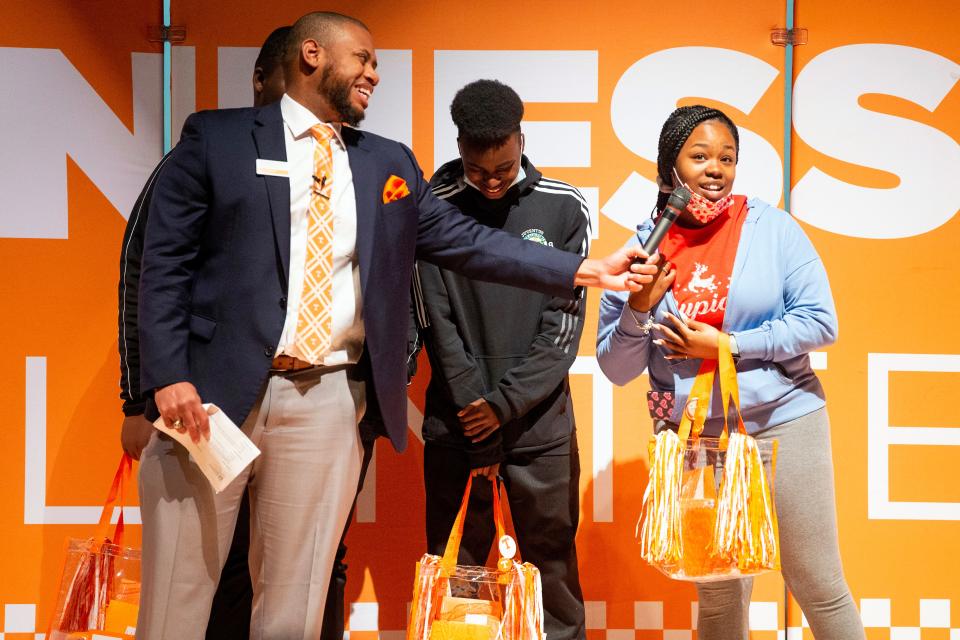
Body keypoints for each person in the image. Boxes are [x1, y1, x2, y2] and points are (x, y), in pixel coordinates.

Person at [135, 11, 653, 640]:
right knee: (179, 593)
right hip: (212, 398)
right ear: (312, 55)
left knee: (294, 599)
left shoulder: (387, 162)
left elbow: (468, 241)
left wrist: (587, 269)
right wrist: (165, 376)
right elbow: (160, 264)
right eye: (363, 59)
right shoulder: (216, 140)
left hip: (326, 399)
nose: (374, 74)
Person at [596, 105, 865, 640]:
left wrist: (730, 344)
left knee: (817, 583)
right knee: (720, 594)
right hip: (695, 440)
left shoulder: (773, 229)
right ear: (669, 163)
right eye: (700, 156)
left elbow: (820, 322)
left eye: (727, 158)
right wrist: (639, 308)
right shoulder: (643, 248)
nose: (715, 168)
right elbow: (615, 366)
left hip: (784, 423)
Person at [117, 26, 290, 640]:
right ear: (263, 81)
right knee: (199, 572)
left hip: (309, 407)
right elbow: (147, 269)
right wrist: (141, 392)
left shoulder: (344, 171)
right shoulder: (207, 151)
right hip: (212, 402)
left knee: (301, 576)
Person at [414, 79, 586, 640]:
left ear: (521, 139)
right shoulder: (431, 208)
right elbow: (436, 323)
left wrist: (505, 404)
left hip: (539, 427)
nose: (491, 183)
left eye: (504, 168)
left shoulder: (563, 207)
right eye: (478, 169)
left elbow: (563, 326)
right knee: (456, 571)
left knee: (551, 570)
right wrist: (474, 411)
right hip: (458, 424)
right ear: (460, 145)